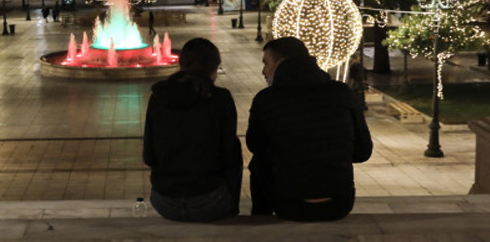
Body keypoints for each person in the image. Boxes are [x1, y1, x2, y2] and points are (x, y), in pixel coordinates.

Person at [246, 37, 373, 222]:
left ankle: (260, 216)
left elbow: (255, 146)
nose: (263, 71)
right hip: (339, 202)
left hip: (289, 204)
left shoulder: (266, 99)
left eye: (266, 63)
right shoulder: (342, 93)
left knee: (257, 162)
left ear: (281, 62)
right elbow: (363, 152)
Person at [143, 38, 242, 222]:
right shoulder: (220, 99)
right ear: (213, 68)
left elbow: (149, 156)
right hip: (210, 201)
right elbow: (229, 154)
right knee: (235, 146)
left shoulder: (159, 97)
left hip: (165, 201)